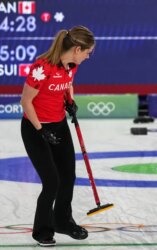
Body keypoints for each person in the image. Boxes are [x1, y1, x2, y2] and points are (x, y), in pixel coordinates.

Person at [20, 26, 95, 247]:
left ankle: (62, 221)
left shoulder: (71, 65)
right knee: (51, 182)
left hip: (59, 125)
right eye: (87, 52)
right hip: (36, 129)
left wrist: (70, 101)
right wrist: (41, 131)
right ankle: (42, 231)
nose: (88, 57)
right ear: (77, 48)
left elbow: (67, 84)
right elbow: (26, 102)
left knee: (68, 177)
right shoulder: (41, 68)